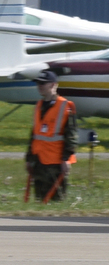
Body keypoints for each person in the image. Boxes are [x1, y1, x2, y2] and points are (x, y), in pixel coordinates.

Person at [25, 68, 76, 203]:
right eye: (38, 83)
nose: (39, 86)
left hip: (56, 163)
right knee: (39, 201)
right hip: (39, 161)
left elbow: (70, 136)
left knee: (56, 202)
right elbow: (34, 134)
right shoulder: (39, 105)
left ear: (53, 85)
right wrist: (29, 158)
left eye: (43, 83)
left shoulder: (65, 106)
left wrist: (66, 159)